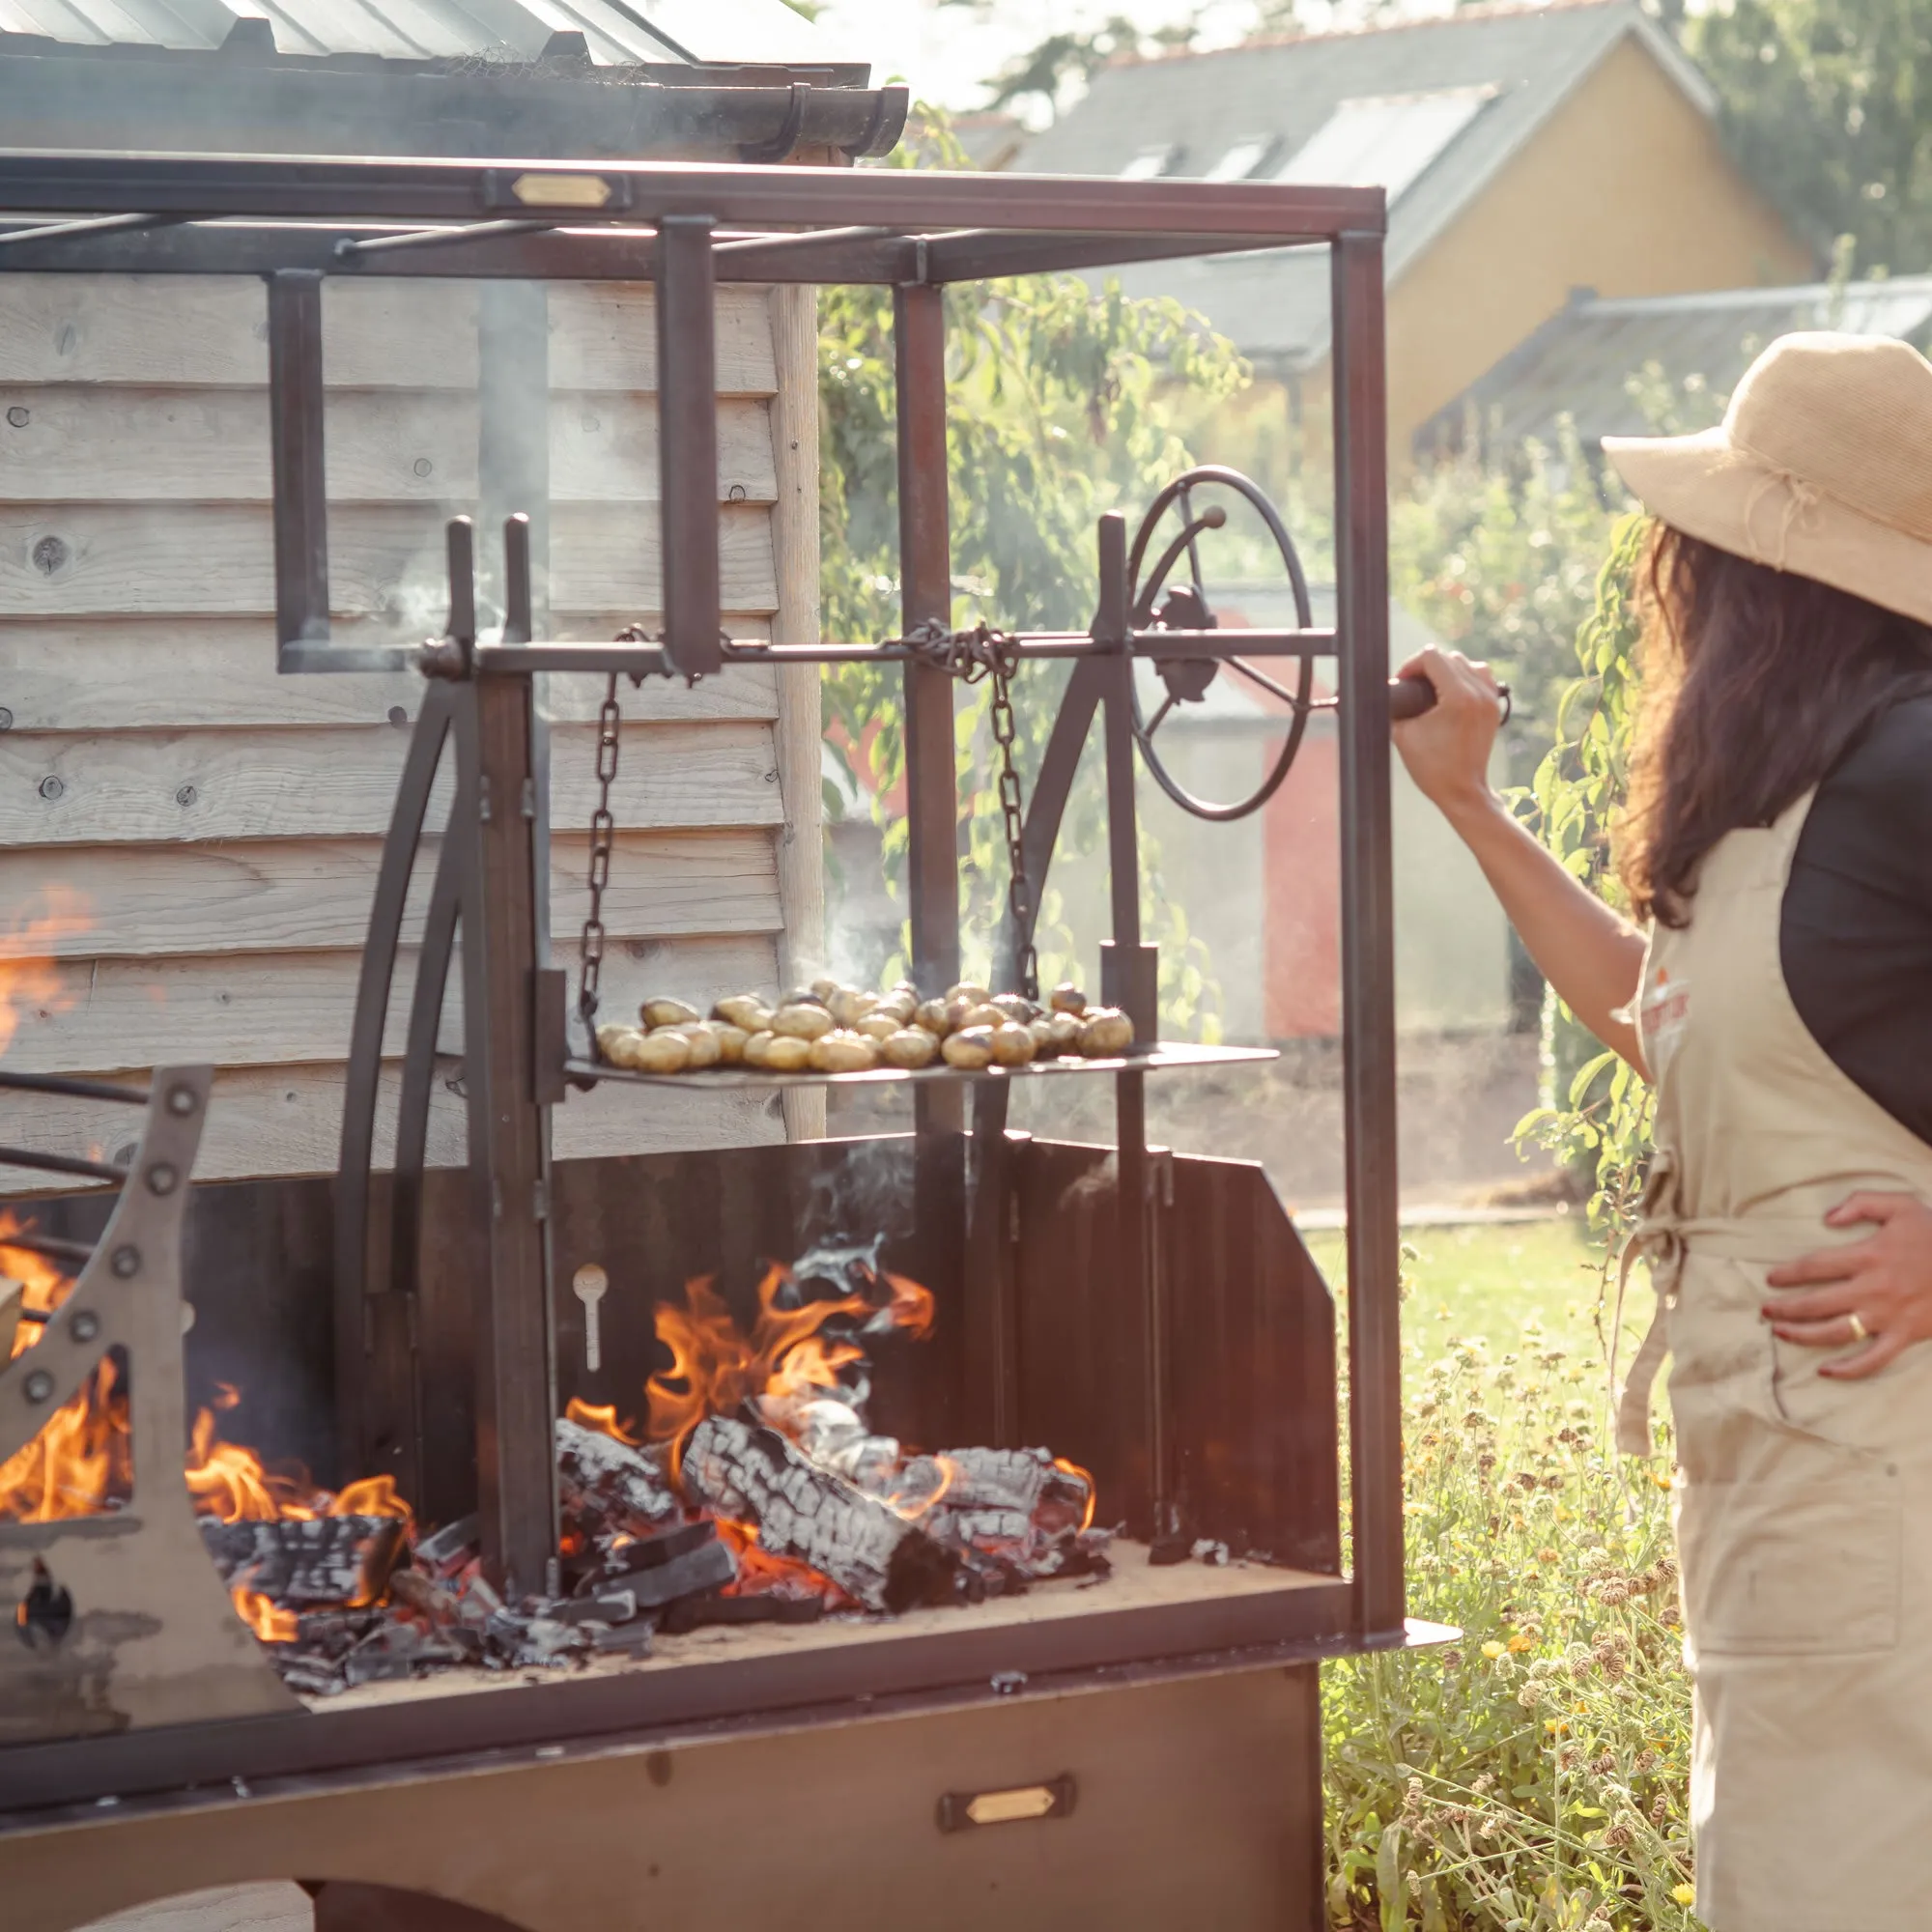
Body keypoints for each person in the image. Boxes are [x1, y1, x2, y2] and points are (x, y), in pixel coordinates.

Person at [1394, 331, 1932, 1932]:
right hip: (1792, 1481)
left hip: (1888, 1487)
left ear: (1761, 568)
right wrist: (1472, 807)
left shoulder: (1914, 769)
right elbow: (1666, 1026)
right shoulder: (1794, 798)